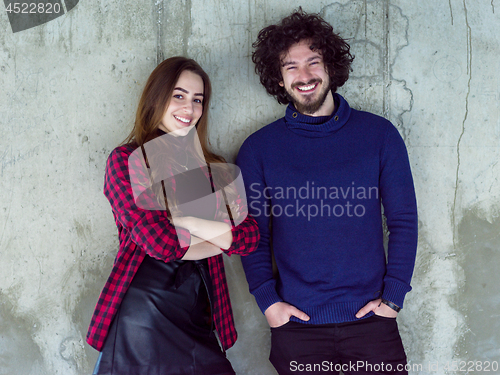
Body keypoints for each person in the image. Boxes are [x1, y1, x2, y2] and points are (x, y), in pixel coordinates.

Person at [236, 9, 418, 375]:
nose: (304, 76)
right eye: (291, 66)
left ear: (330, 67)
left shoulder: (379, 135)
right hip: (298, 330)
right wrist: (269, 303)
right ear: (278, 77)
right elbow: (253, 234)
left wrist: (393, 298)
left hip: (373, 325)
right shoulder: (258, 149)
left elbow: (402, 220)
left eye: (313, 62)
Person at [87, 56, 260, 375]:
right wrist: (221, 234)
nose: (189, 108)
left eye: (198, 100)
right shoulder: (127, 160)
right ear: (157, 97)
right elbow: (161, 244)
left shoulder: (213, 168)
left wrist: (190, 222)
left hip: (201, 310)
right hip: (146, 315)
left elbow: (249, 237)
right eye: (178, 95)